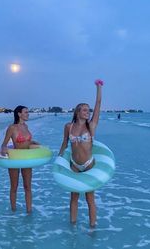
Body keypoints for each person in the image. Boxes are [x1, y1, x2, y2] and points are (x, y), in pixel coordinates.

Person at [58, 80, 103, 228]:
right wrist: (59, 160)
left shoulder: (91, 126)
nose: (88, 112)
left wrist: (98, 87)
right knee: (74, 197)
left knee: (90, 199)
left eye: (88, 110)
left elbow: (98, 104)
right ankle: (72, 226)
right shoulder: (68, 126)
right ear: (77, 112)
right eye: (84, 110)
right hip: (74, 165)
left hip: (89, 165)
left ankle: (92, 228)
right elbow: (65, 143)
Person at [1, 105, 39, 213]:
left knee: (27, 186)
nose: (28, 114)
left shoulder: (26, 126)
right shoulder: (12, 128)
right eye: (26, 112)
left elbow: (26, 141)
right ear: (19, 114)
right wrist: (4, 150)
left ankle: (29, 211)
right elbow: (4, 144)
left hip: (26, 159)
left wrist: (33, 142)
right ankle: (13, 211)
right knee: (14, 186)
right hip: (15, 159)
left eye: (28, 112)